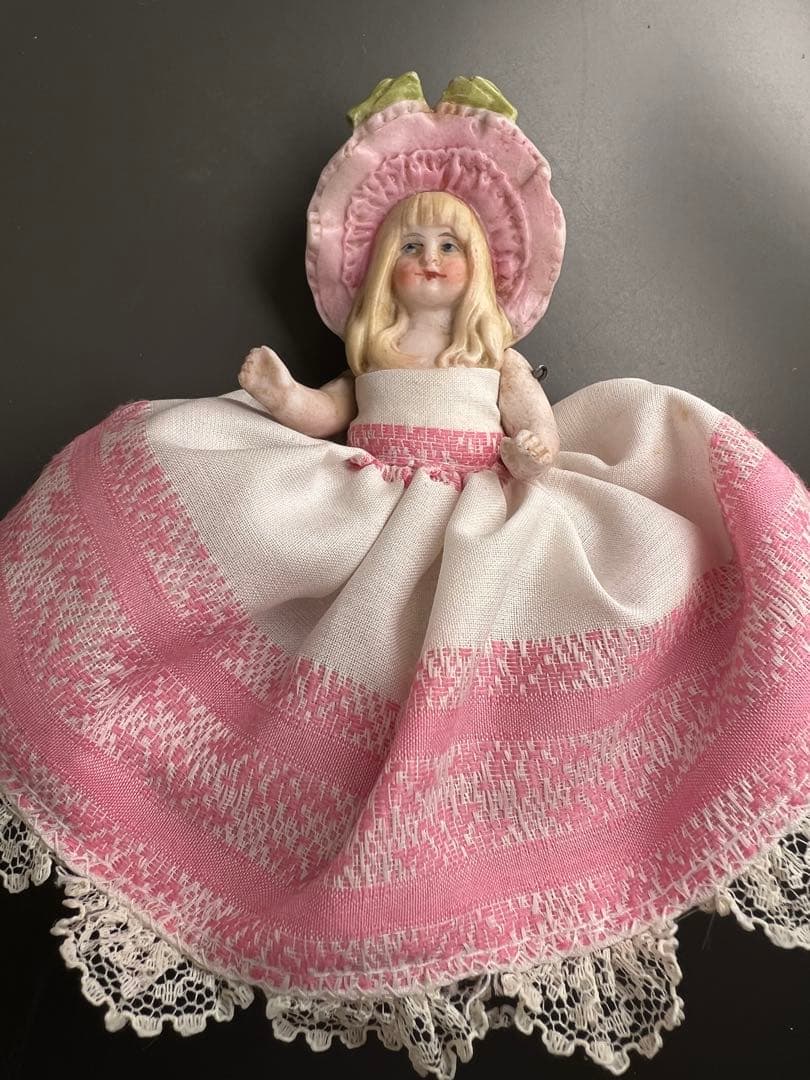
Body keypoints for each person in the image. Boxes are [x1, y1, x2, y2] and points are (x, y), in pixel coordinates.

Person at [0, 71, 807, 1079]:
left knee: (579, 598)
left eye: (448, 246)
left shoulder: (495, 362)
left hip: (480, 514)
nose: (430, 261)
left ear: (483, 271)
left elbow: (538, 432)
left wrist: (534, 454)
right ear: (382, 267)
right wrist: (279, 395)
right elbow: (323, 416)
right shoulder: (373, 357)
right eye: (413, 246)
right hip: (365, 509)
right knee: (175, 467)